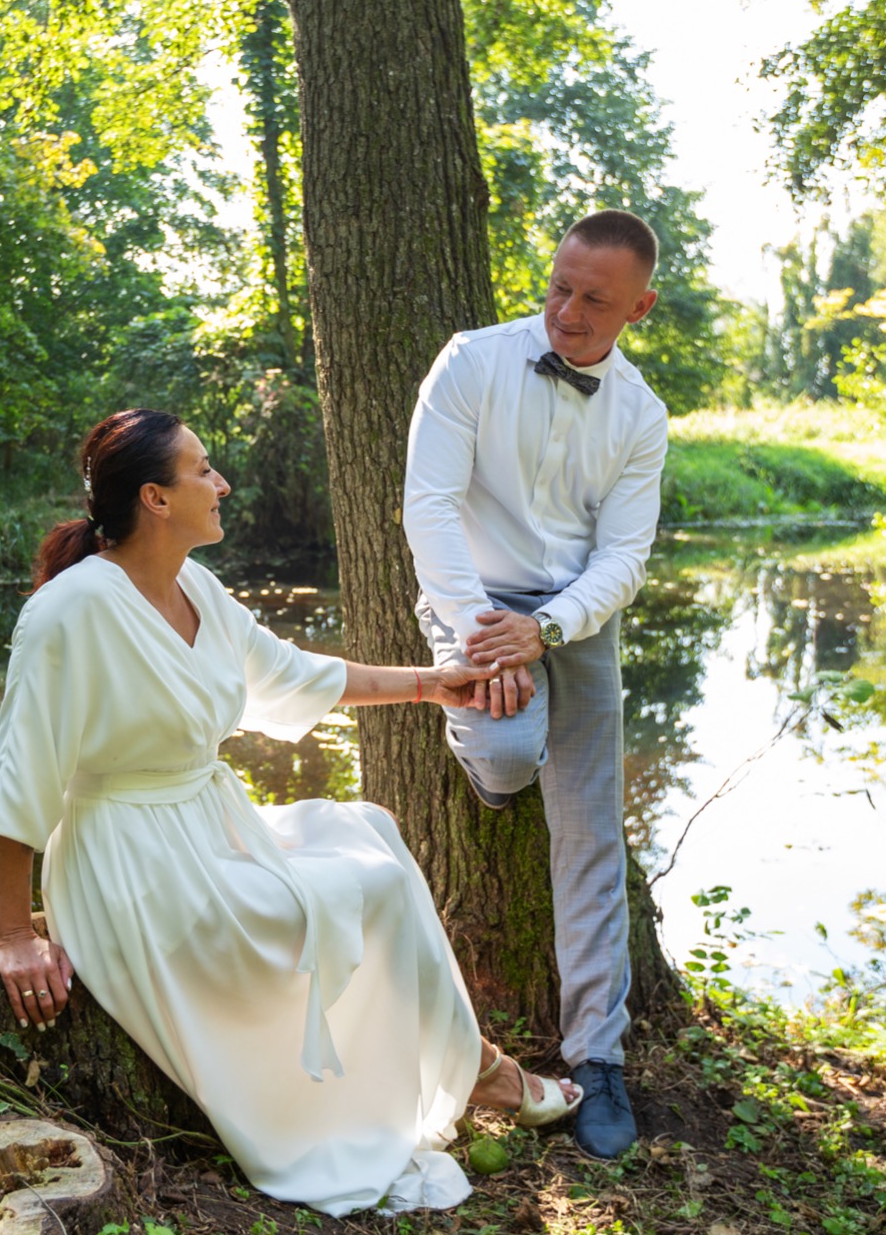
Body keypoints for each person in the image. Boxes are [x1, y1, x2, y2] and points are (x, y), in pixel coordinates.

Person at [0, 409, 579, 1217]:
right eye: (203, 470)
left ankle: (470, 1065)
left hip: (208, 824)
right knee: (345, 890)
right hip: (130, 868)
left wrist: (432, 682)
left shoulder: (195, 586)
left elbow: (291, 675)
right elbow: (22, 776)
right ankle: (477, 1074)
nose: (221, 482)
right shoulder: (70, 612)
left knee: (368, 831)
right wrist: (16, 933)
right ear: (155, 498)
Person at [402, 208, 669, 1161]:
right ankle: (490, 760)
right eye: (559, 285)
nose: (568, 310)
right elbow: (428, 506)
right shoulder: (470, 361)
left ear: (638, 305)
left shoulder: (642, 413)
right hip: (472, 599)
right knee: (511, 757)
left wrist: (547, 629)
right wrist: (487, 637)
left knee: (593, 823)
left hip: (575, 617)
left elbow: (624, 560)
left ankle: (597, 1055)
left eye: (595, 299)